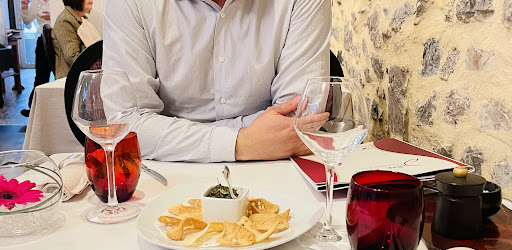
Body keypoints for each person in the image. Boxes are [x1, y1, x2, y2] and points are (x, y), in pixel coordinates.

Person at [102, 0, 331, 163]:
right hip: (168, 172)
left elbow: (299, 120)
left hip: (274, 167)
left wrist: (167, 134)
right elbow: (125, 123)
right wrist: (243, 142)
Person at [19, 0, 51, 117]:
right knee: (40, 76)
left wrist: (53, 16)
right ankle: (34, 109)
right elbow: (27, 22)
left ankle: (63, 107)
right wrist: (24, 7)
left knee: (61, 75)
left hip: (59, 37)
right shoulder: (36, 2)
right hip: (43, 39)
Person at [52, 0, 94, 79]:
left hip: (83, 76)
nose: (91, 0)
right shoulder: (65, 21)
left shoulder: (82, 20)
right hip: (72, 79)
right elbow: (72, 58)